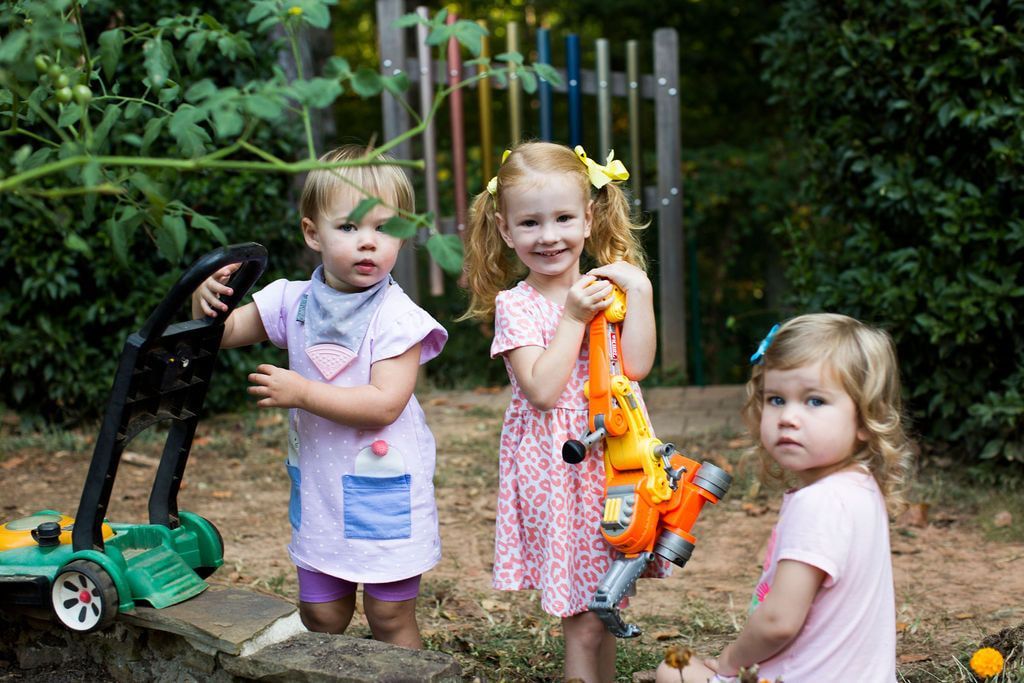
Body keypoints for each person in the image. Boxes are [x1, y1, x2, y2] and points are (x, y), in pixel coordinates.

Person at [191, 145, 447, 650]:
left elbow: (385, 405)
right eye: (349, 228)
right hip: (320, 485)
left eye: (384, 227)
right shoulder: (293, 300)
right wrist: (208, 304)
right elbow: (222, 333)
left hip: (381, 483)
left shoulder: (398, 317)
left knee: (388, 615)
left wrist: (303, 392)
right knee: (322, 613)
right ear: (313, 233)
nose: (368, 243)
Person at [461, 141, 662, 683]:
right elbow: (542, 390)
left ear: (589, 219)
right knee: (583, 615)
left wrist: (639, 291)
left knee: (606, 604)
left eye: (563, 218)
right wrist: (573, 318)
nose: (548, 236)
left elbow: (636, 365)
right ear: (506, 231)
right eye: (530, 223)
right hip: (558, 468)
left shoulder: (606, 291)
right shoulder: (518, 305)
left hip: (615, 461)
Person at [655, 313, 914, 683]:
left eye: (814, 401)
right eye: (776, 399)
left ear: (864, 419)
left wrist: (731, 661)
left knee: (672, 671)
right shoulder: (861, 487)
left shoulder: (820, 503)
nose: (788, 417)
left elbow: (778, 622)